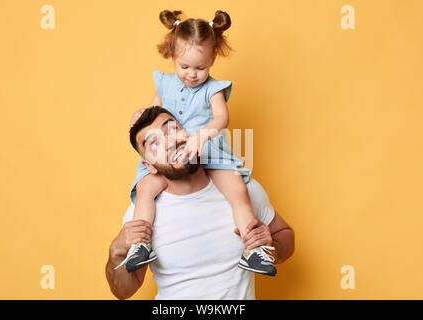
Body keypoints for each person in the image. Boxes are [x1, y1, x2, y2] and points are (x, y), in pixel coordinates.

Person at [122, 9, 272, 275]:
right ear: (172, 56)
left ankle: (253, 249)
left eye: (200, 68)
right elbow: (151, 114)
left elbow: (221, 119)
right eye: (184, 67)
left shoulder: (213, 88)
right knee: (146, 188)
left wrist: (203, 135)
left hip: (206, 149)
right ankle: (140, 244)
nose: (192, 74)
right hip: (173, 155)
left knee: (238, 192)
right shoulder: (165, 83)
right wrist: (139, 116)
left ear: (213, 58)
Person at [105, 107, 295, 299]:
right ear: (149, 166)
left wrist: (271, 248)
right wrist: (117, 251)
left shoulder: (243, 191)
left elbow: (284, 235)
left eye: (172, 129)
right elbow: (123, 291)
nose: (171, 142)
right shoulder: (141, 215)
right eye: (154, 144)